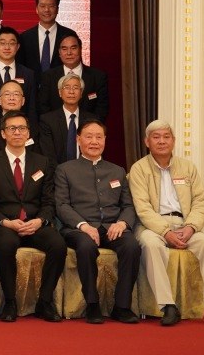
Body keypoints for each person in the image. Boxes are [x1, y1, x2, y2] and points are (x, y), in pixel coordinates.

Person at [128, 119, 204, 327]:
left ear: (174, 141)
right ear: (147, 142)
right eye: (156, 137)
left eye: (166, 137)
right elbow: (142, 208)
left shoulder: (187, 167)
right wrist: (165, 231)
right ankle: (168, 306)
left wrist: (191, 227)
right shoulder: (139, 169)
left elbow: (200, 202)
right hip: (152, 226)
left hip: (184, 224)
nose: (162, 141)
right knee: (151, 244)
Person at [0, 111, 66, 323]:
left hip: (35, 223)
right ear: (3, 133)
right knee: (6, 244)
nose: (17, 132)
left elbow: (49, 201)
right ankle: (10, 302)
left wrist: (40, 221)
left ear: (28, 133)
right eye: (12, 128)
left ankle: (44, 302)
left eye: (22, 128)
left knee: (58, 244)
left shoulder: (43, 162)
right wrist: (6, 222)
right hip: (4, 224)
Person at [53, 120, 140, 324]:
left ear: (105, 140)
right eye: (89, 137)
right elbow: (62, 205)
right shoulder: (65, 170)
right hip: (78, 229)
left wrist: (122, 223)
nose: (94, 142)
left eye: (99, 137)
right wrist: (83, 225)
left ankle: (122, 306)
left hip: (112, 227)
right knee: (86, 246)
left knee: (131, 246)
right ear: (78, 140)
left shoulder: (117, 171)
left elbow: (128, 205)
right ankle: (92, 304)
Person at [37, 34, 109, 120]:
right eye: (64, 49)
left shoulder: (98, 76)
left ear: (80, 50)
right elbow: (43, 106)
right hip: (55, 126)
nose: (69, 53)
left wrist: (89, 126)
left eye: (73, 48)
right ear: (59, 52)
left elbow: (101, 108)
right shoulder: (48, 76)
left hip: (89, 125)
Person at [0, 80, 46, 160]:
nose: (11, 98)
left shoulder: (33, 126)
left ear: (23, 101)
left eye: (16, 94)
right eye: (7, 94)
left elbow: (37, 156)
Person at [0, 26, 36, 122]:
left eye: (11, 43)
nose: (7, 47)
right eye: (2, 43)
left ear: (18, 47)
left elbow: (32, 108)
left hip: (20, 128)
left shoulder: (28, 74)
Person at [18, 0, 78, 75]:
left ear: (57, 9)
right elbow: (20, 68)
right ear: (36, 9)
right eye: (42, 6)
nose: (47, 10)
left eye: (51, 6)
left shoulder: (69, 35)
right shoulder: (24, 37)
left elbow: (76, 65)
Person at [38, 73, 92, 167]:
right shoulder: (47, 120)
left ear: (81, 93)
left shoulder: (91, 120)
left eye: (75, 88)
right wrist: (61, 173)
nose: (71, 91)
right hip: (57, 172)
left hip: (86, 171)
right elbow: (48, 155)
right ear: (60, 92)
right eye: (67, 87)